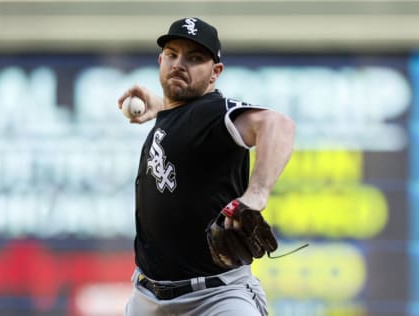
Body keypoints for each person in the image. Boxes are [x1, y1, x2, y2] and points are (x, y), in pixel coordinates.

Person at [118, 17, 295, 316]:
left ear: (215, 73)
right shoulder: (180, 115)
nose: (179, 63)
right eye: (172, 54)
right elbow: (188, 127)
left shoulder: (213, 112)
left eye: (195, 58)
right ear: (160, 60)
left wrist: (257, 194)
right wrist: (162, 107)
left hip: (215, 299)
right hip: (147, 299)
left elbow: (277, 124)